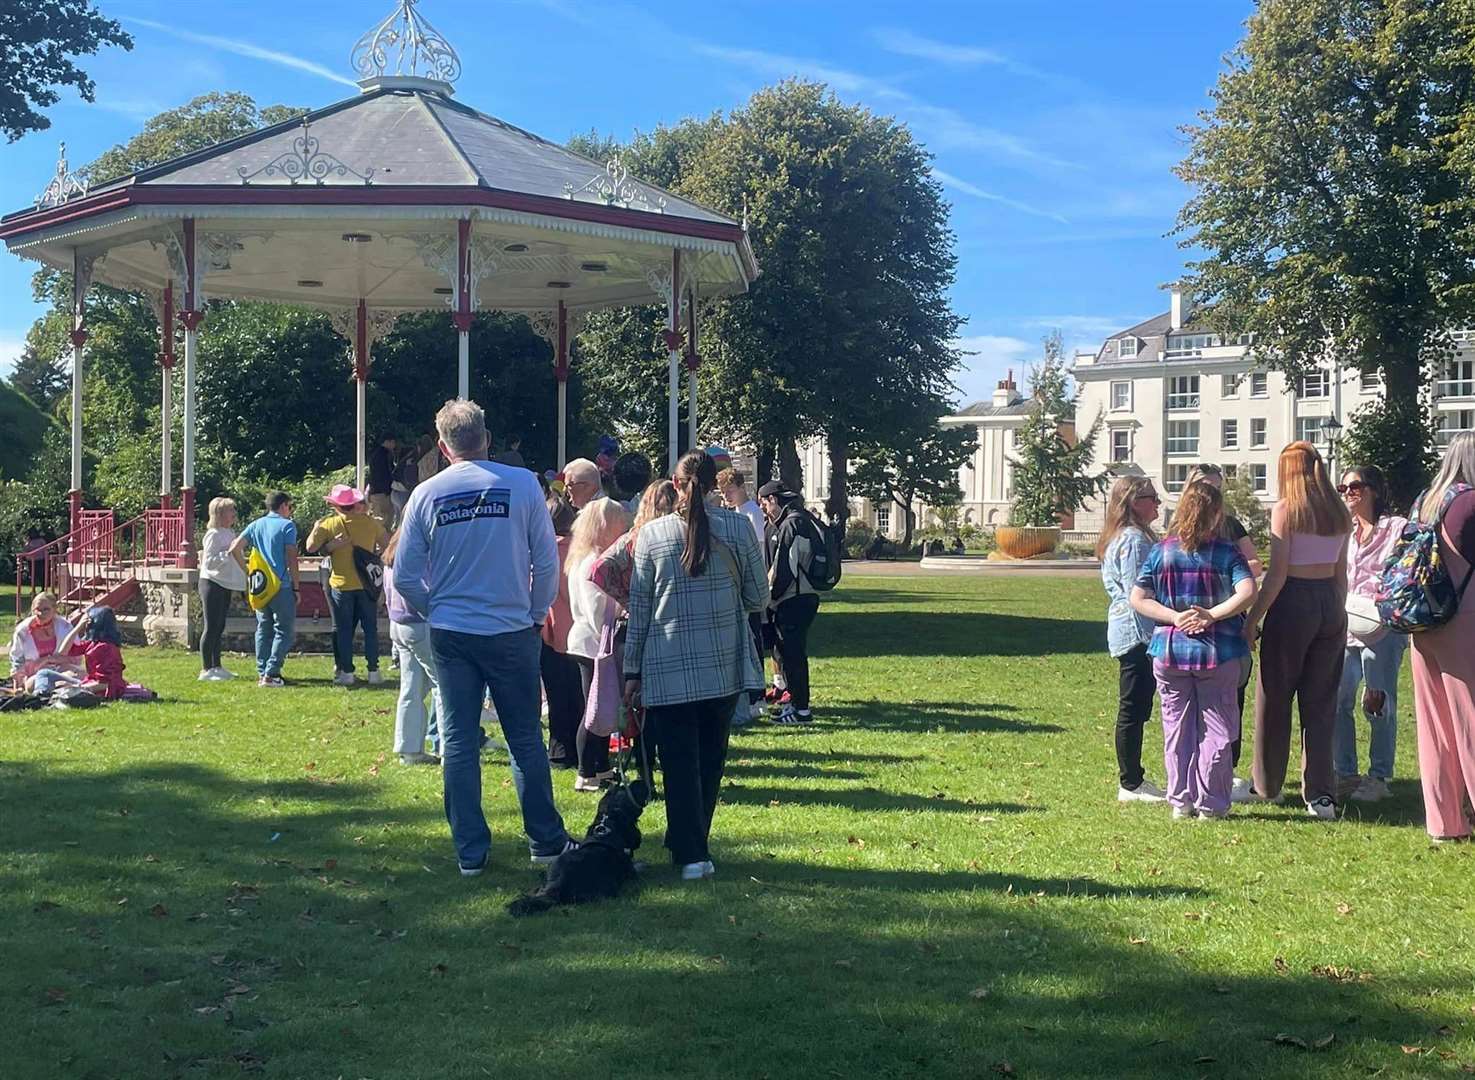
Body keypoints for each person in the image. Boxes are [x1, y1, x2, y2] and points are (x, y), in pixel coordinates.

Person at [394, 398, 576, 876]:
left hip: (454, 631)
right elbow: (546, 560)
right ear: (487, 439)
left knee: (457, 740)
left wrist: (438, 609)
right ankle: (545, 840)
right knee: (523, 739)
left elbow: (406, 576)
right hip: (512, 627)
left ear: (442, 445)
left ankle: (470, 852)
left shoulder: (426, 494)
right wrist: (535, 614)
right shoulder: (522, 485)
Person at [624, 450, 767, 880]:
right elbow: (759, 596)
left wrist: (632, 671)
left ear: (674, 481)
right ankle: (692, 844)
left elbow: (640, 610)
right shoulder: (739, 528)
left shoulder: (650, 536)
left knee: (679, 762)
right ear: (712, 485)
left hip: (665, 664)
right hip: (721, 662)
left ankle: (689, 848)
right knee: (709, 759)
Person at [1130, 481, 1257, 820]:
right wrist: (1213, 615)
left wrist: (1174, 617)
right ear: (1217, 513)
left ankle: (1180, 799)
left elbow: (1138, 597)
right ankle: (1211, 802)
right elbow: (1248, 590)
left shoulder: (1162, 551)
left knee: (1176, 726)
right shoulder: (1228, 553)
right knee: (1217, 727)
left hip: (1169, 650)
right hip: (1218, 652)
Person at [1243, 441, 1352, 820]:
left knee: (1274, 696)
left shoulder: (1286, 510)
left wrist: (1253, 617)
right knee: (1321, 703)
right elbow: (1342, 574)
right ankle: (1321, 795)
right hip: (1331, 603)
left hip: (1293, 602)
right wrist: (1337, 611)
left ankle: (1267, 785)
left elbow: (1276, 575)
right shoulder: (1339, 511)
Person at [1408, 432, 1475, 842]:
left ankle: (1445, 823)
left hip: (1423, 619)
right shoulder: (1470, 502)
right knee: (1470, 719)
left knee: (1434, 726)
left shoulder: (1425, 501)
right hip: (1464, 618)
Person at [1185, 462, 1263, 801]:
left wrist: (1231, 573)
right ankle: (1193, 770)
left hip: (1229, 621)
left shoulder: (1231, 526)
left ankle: (1226, 768)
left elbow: (1255, 564)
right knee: (1189, 703)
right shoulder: (1178, 529)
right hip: (1190, 625)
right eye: (1206, 485)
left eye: (1217, 486)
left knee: (1233, 699)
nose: (1212, 492)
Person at [1333, 464, 1408, 803]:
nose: (1348, 493)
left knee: (1377, 704)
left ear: (1374, 489)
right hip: (1346, 627)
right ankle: (1345, 773)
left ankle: (1379, 777)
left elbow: (1408, 571)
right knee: (1337, 699)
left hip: (1382, 629)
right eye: (1343, 488)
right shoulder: (1342, 531)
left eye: (1355, 486)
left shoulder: (1397, 528)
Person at [1096, 475, 1168, 803]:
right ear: (1133, 502)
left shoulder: (1126, 537)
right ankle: (1131, 782)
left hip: (1132, 631)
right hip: (1136, 634)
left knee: (1136, 706)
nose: (1158, 503)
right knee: (1133, 707)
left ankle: (1133, 779)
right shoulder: (1134, 540)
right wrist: (1151, 639)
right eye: (1152, 497)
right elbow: (1137, 593)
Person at [566, 497, 632, 790]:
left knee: (601, 703)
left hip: (588, 639)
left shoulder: (583, 557)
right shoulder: (592, 561)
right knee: (594, 708)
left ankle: (601, 766)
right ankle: (585, 770)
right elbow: (595, 609)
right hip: (593, 642)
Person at [306, 485, 388, 687]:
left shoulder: (329, 524)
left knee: (343, 630)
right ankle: (374, 671)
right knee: (370, 629)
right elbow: (387, 544)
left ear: (336, 505)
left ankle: (347, 672)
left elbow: (310, 547)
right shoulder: (371, 524)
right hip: (367, 585)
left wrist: (317, 528)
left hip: (341, 585)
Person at [758, 480, 824, 725]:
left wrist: (769, 599)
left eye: (763, 502)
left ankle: (801, 710)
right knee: (789, 652)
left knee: (794, 654)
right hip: (804, 596)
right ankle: (793, 705)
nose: (763, 508)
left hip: (793, 599)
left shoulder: (790, 524)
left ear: (773, 500)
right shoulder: (801, 519)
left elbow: (784, 570)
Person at [230, 491, 301, 688]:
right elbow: (292, 558)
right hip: (281, 585)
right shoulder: (287, 526)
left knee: (263, 628)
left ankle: (262, 672)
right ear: (284, 506)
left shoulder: (256, 525)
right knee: (284, 630)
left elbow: (235, 548)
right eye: (290, 506)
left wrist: (248, 571)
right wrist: (297, 587)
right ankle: (272, 673)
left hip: (260, 585)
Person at [383, 529, 441, 766]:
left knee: (411, 689)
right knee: (443, 687)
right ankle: (451, 749)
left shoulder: (390, 555)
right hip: (420, 624)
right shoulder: (419, 555)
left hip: (398, 624)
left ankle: (409, 749)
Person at [539, 495, 583, 772]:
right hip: (579, 632)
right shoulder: (581, 551)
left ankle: (559, 750)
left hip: (550, 633)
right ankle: (581, 750)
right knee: (578, 695)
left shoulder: (543, 552)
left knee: (556, 696)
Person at [30, 605, 129, 699]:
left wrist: (77, 688)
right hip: (89, 683)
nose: (86, 625)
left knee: (60, 686)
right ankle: (40, 695)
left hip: (100, 690)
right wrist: (78, 627)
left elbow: (105, 684)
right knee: (45, 673)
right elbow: (62, 652)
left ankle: (40, 698)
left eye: (88, 621)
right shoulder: (92, 644)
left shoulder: (106, 648)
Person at [198, 497, 247, 681]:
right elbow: (209, 560)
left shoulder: (229, 532)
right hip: (211, 582)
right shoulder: (213, 534)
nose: (234, 513)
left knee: (220, 626)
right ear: (220, 514)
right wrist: (228, 552)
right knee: (211, 626)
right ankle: (205, 669)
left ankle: (217, 666)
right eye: (230, 510)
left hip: (225, 582)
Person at [8, 592, 79, 686]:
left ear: (54, 609)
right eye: (38, 609)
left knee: (75, 675)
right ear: (33, 610)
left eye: (46, 609)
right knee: (38, 681)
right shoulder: (23, 631)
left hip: (63, 670)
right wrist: (18, 680)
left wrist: (48, 659)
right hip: (35, 675)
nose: (41, 613)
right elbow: (17, 660)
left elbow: (76, 656)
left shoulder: (65, 627)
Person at [718, 467, 765, 549]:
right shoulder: (734, 513)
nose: (725, 496)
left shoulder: (754, 512)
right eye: (722, 492)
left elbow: (759, 546)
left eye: (730, 491)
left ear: (742, 487)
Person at [367, 435, 398, 528]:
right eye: (393, 443)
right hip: (382, 492)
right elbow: (385, 474)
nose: (394, 445)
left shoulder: (375, 454)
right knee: (384, 521)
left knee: (379, 521)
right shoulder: (384, 455)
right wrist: (387, 491)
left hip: (375, 491)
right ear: (389, 441)